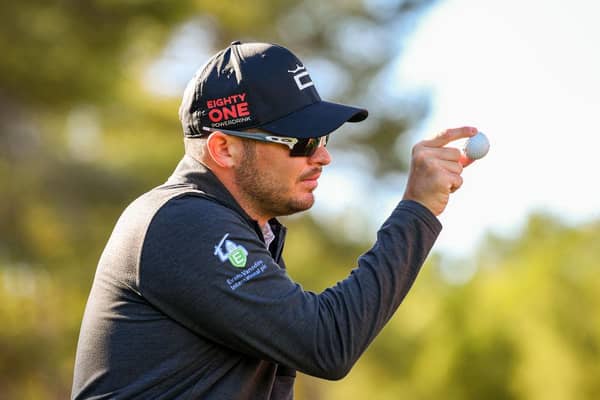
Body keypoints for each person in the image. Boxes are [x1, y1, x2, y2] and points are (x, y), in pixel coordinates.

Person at [71, 41, 476, 399]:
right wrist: (417, 210)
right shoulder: (180, 220)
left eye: (321, 139)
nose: (321, 156)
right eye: (300, 141)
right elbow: (326, 343)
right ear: (224, 149)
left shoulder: (239, 228)